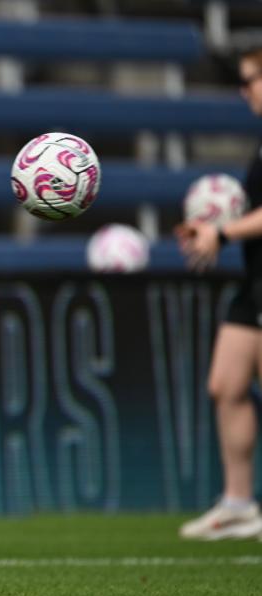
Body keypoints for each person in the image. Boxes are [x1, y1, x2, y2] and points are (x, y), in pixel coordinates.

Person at [175, 45, 262, 540]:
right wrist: (206, 228)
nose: (243, 90)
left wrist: (223, 234)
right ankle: (238, 503)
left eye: (250, 80)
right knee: (225, 385)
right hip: (254, 280)